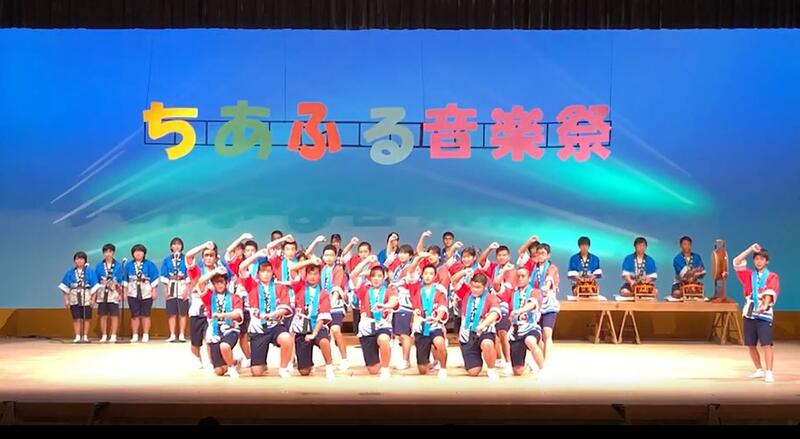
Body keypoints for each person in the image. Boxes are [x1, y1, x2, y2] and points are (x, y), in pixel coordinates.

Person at [733, 243, 780, 383]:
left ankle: (769, 372)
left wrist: (764, 305)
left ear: (767, 261)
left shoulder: (772, 276)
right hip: (749, 312)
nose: (759, 262)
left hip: (764, 314)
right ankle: (759, 370)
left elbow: (770, 292)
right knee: (750, 344)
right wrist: (750, 249)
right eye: (756, 259)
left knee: (766, 344)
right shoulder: (748, 275)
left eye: (762, 259)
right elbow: (736, 261)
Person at [59, 251, 100, 343]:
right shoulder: (70, 272)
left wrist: (93, 299)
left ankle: (85, 336)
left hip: (86, 296)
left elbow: (95, 287)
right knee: (76, 318)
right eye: (77, 259)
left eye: (81, 259)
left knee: (87, 318)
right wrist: (66, 300)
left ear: (85, 260)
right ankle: (77, 336)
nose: (79, 261)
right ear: (74, 261)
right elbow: (65, 287)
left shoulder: (90, 271)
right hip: (74, 297)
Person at [122, 244, 160, 343]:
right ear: (133, 254)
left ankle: (145, 334)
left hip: (146, 292)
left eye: (140, 251)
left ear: (144, 253)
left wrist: (154, 290)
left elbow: (154, 278)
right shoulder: (128, 265)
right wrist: (124, 292)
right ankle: (135, 335)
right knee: (134, 315)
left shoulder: (150, 264)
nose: (138, 253)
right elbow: (125, 279)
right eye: (136, 251)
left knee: (146, 314)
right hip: (132, 292)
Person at [161, 237, 189, 342]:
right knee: (171, 312)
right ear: (171, 247)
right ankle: (172, 334)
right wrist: (165, 290)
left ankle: (182, 334)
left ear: (182, 246)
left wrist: (187, 289)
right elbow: (164, 275)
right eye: (174, 244)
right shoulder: (167, 260)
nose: (176, 246)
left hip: (182, 284)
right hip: (171, 284)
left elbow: (189, 274)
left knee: (183, 312)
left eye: (179, 244)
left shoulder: (186, 259)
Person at [95, 243, 123, 343]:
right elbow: (96, 280)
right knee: (103, 315)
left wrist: (118, 289)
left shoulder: (118, 266)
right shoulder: (99, 266)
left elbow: (121, 279)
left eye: (110, 251)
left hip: (114, 292)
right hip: (102, 292)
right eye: (106, 252)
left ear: (113, 253)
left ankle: (113, 335)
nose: (108, 253)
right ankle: (104, 335)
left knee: (114, 315)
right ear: (103, 253)